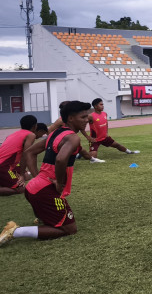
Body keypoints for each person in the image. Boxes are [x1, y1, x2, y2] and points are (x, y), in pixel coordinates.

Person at [0, 101, 92, 246]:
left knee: (51, 217)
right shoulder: (72, 137)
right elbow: (61, 159)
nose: (87, 120)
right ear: (70, 118)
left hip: (33, 188)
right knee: (70, 229)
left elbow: (29, 152)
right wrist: (59, 183)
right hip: (46, 191)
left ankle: (43, 217)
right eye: (83, 117)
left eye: (87, 116)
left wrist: (37, 177)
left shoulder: (55, 133)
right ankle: (15, 231)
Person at [0, 115, 42, 196]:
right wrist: (21, 175)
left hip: (7, 164)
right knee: (21, 189)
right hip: (3, 166)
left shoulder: (14, 134)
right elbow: (25, 155)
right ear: (35, 126)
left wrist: (23, 174)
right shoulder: (31, 135)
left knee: (26, 176)